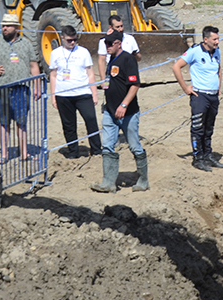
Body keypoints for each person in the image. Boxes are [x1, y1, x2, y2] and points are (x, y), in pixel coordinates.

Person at [0, 14, 40, 162]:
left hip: (22, 87)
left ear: (16, 27)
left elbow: (33, 65)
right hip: (2, 87)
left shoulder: (26, 43)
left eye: (8, 25)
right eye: (3, 25)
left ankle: (24, 153)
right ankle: (4, 154)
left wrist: (37, 86)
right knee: (4, 121)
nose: (5, 28)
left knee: (21, 121)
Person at [90, 31, 148, 193]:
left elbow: (135, 85)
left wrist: (123, 105)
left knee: (134, 146)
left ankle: (143, 179)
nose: (107, 47)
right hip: (110, 111)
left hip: (128, 113)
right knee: (107, 146)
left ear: (118, 43)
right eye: (105, 44)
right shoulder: (111, 60)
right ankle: (108, 183)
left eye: (110, 44)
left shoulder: (128, 59)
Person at [173, 26, 223, 171]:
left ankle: (208, 155)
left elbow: (219, 69)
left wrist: (218, 87)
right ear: (205, 39)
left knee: (209, 127)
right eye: (214, 39)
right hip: (200, 95)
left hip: (213, 96)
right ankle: (198, 158)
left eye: (218, 38)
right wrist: (185, 88)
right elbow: (176, 66)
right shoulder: (195, 51)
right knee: (198, 128)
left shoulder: (217, 51)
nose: (217, 42)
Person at [48, 25, 101, 159]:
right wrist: (53, 96)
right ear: (62, 38)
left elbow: (90, 73)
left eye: (74, 40)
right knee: (68, 125)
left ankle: (96, 149)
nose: (72, 42)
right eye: (69, 40)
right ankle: (73, 151)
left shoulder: (83, 52)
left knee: (91, 120)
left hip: (83, 93)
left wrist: (94, 93)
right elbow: (53, 75)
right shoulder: (55, 53)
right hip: (63, 95)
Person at [98, 15, 140, 83]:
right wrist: (103, 81)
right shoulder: (104, 41)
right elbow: (101, 61)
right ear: (110, 27)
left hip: (127, 73)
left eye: (121, 26)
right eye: (117, 27)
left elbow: (138, 58)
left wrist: (135, 56)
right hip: (111, 73)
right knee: (109, 91)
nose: (121, 29)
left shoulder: (130, 39)